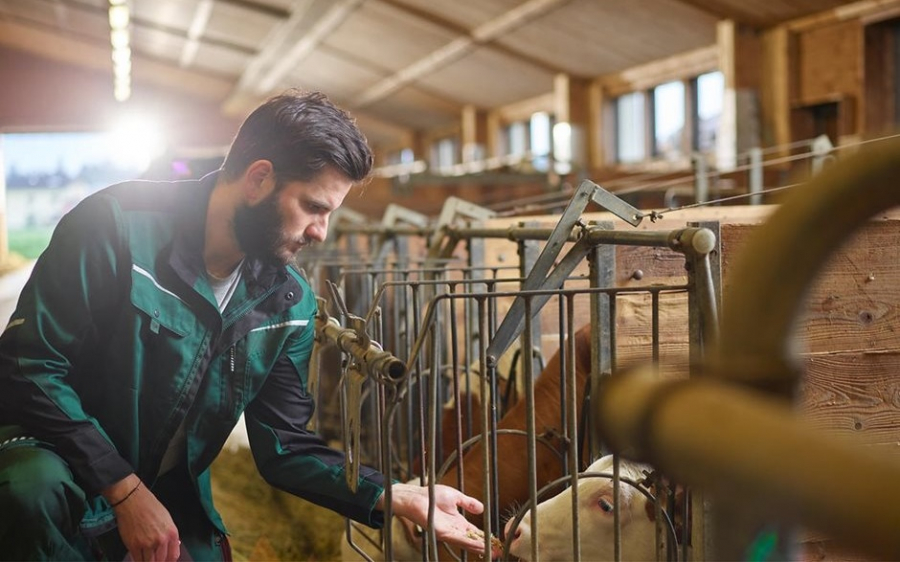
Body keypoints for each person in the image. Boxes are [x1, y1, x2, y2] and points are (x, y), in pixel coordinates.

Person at [0, 90, 493, 561]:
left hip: (167, 489)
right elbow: (29, 365)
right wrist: (123, 489)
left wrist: (394, 494)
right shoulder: (114, 228)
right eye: (314, 207)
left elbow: (285, 446)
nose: (321, 231)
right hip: (60, 464)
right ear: (259, 180)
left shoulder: (288, 302)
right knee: (28, 488)